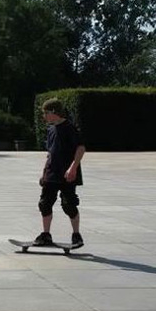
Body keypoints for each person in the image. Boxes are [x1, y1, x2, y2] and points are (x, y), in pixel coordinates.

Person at [33, 98, 86, 248]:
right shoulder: (50, 129)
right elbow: (50, 153)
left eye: (45, 113)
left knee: (69, 205)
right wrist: (44, 173)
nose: (44, 116)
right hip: (51, 173)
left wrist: (73, 168)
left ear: (54, 112)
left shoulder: (70, 128)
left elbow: (80, 148)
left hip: (67, 174)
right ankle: (46, 235)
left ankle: (76, 235)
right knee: (44, 203)